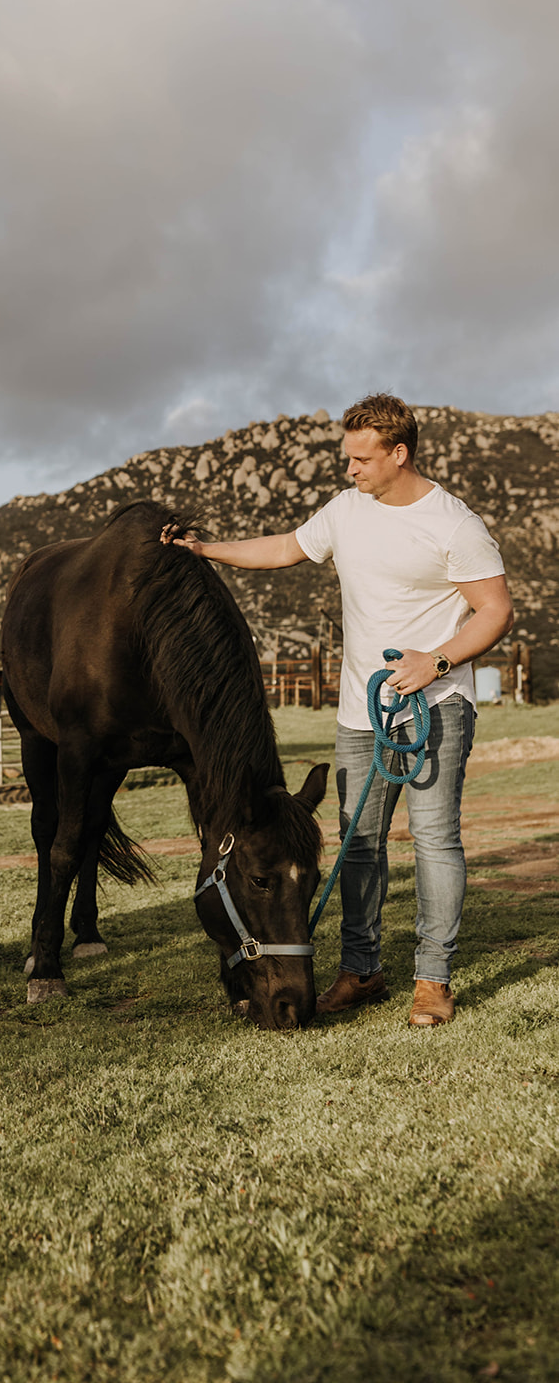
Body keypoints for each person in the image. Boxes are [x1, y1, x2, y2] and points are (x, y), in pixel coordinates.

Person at [162, 394, 514, 1027]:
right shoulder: (347, 510)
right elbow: (287, 548)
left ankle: (432, 979)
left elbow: (495, 610)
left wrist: (433, 662)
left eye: (359, 458)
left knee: (434, 842)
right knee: (360, 847)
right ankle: (361, 970)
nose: (347, 469)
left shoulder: (453, 524)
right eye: (345, 457)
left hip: (436, 705)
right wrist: (206, 551)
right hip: (361, 711)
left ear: (397, 453)